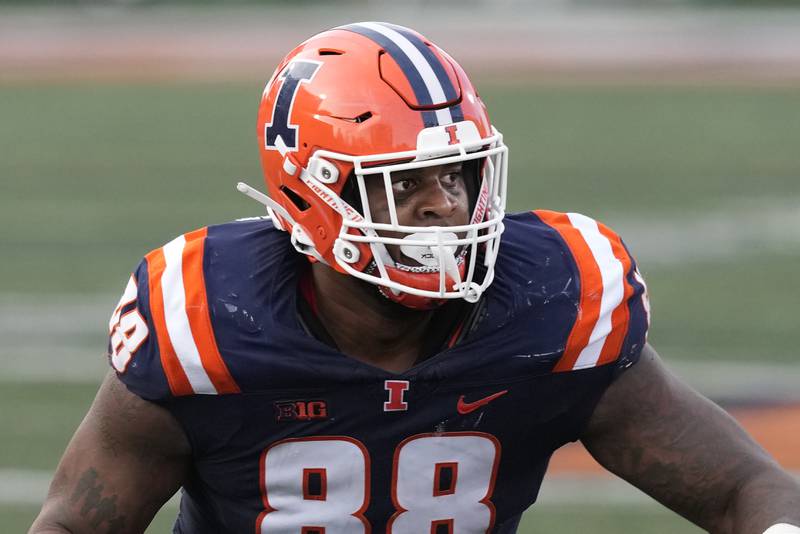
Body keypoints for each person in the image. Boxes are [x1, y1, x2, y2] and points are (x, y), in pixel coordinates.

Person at [30, 22, 800, 534]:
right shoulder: (206, 324)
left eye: (457, 177)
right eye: (404, 185)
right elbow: (71, 522)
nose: (444, 207)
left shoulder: (549, 309)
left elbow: (748, 491)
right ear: (311, 192)